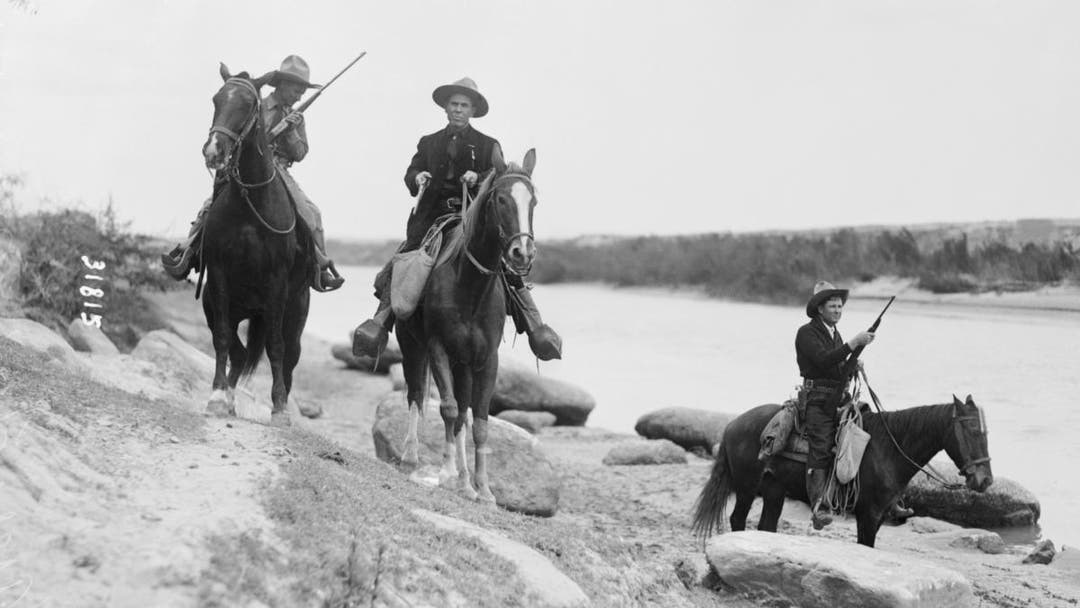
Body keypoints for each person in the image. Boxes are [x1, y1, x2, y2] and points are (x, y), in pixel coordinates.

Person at [351, 77, 561, 360]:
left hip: (471, 216)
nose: (459, 110)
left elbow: (500, 180)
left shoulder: (488, 145)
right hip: (432, 216)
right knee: (405, 258)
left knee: (505, 264)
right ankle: (381, 320)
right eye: (454, 105)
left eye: (464, 105)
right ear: (446, 109)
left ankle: (535, 325)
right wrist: (418, 177)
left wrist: (479, 178)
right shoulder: (428, 143)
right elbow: (410, 172)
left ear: (472, 110)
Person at [161, 55, 345, 292]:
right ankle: (188, 252)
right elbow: (249, 137)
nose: (299, 95)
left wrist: (291, 131)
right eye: (296, 89)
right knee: (209, 208)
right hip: (246, 166)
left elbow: (300, 153)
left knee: (311, 214)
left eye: (302, 90)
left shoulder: (298, 117)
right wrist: (274, 130)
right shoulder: (256, 105)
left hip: (279, 170)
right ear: (282, 85)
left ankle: (319, 269)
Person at [795, 280, 875, 529]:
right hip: (817, 399)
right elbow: (823, 361)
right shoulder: (806, 332)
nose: (838, 310)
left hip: (837, 397)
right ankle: (819, 507)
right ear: (820, 309)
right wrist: (853, 345)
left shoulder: (834, 332)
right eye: (833, 306)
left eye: (840, 306)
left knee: (867, 424)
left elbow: (838, 367)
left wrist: (853, 364)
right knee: (821, 445)